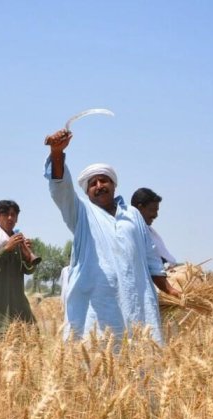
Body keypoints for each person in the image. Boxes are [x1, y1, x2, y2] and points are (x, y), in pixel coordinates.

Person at [43, 129, 180, 344]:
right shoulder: (81, 214)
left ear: (114, 185)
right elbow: (62, 190)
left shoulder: (133, 215)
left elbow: (151, 258)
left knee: (138, 364)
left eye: (104, 181)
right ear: (87, 191)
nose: (99, 186)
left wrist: (170, 289)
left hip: (135, 304)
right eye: (93, 183)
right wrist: (57, 152)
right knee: (97, 362)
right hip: (97, 307)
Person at [0, 200, 37, 333]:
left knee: (29, 340)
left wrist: (27, 256)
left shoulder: (18, 239)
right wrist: (6, 249)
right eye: (5, 214)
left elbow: (28, 270)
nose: (10, 218)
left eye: (13, 215)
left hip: (18, 305)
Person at [131, 187, 177, 267]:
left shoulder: (149, 231)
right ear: (140, 208)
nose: (156, 215)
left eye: (157, 210)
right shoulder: (131, 231)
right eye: (153, 210)